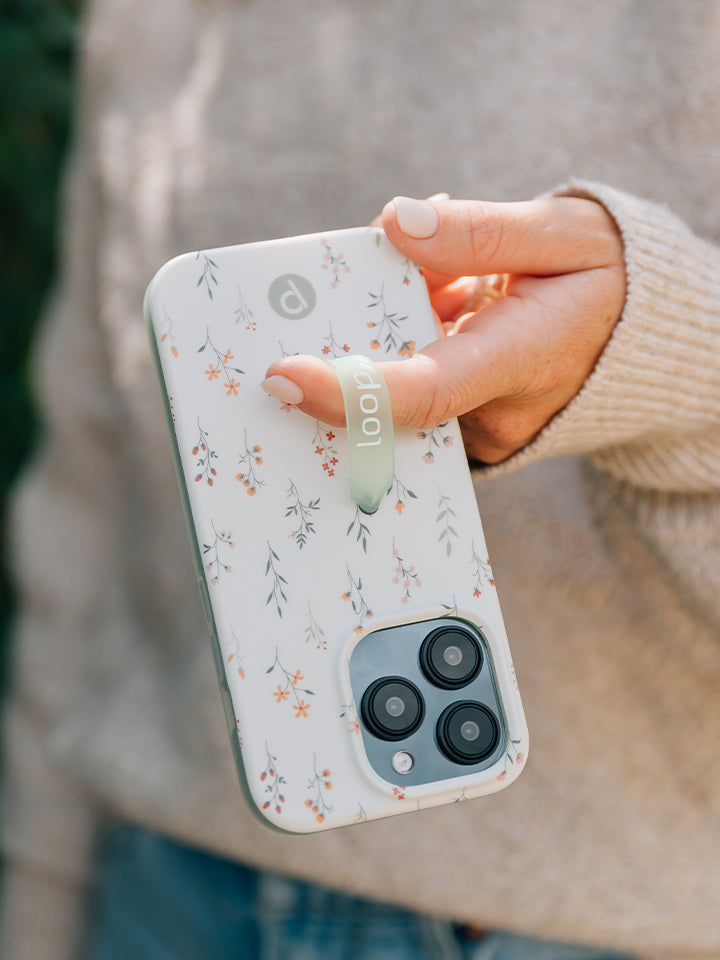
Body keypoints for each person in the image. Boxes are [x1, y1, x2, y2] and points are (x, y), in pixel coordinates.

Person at [2, 1, 719, 958]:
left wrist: (666, 355)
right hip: (160, 886)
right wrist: (38, 901)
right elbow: (92, 501)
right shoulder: (159, 19)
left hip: (595, 928)